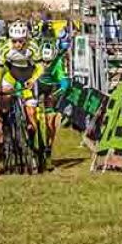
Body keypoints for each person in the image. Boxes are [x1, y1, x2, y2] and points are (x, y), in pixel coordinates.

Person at [0, 20, 44, 158]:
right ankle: (5, 125)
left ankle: (31, 140)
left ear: (26, 38)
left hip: (28, 76)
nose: (18, 45)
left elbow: (40, 67)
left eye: (21, 41)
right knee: (4, 100)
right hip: (12, 75)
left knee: (31, 113)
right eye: (15, 41)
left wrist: (33, 80)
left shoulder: (33, 46)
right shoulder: (5, 48)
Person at [37, 39, 69, 170]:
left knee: (50, 122)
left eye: (48, 62)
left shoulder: (58, 62)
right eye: (43, 61)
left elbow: (64, 83)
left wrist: (57, 92)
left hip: (52, 88)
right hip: (38, 85)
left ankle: (49, 148)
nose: (45, 64)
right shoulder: (35, 60)